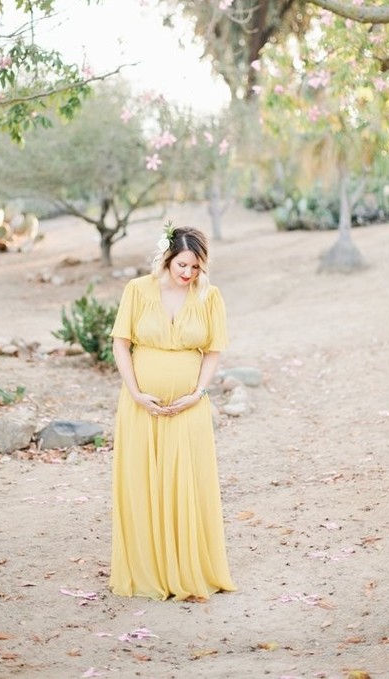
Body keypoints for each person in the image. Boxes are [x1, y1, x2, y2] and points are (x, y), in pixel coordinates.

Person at [109, 223, 236, 601]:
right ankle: (149, 571)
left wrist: (198, 393)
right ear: (167, 258)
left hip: (188, 409)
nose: (188, 274)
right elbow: (121, 344)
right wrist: (135, 393)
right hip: (140, 407)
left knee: (187, 487)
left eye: (195, 268)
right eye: (182, 265)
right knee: (143, 484)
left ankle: (188, 569)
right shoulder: (137, 291)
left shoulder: (208, 297)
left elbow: (214, 350)